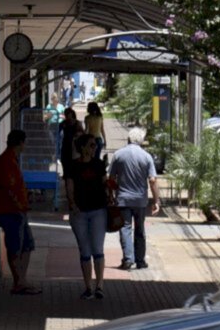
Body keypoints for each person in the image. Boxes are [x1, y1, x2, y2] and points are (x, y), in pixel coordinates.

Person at [0, 129, 40, 295]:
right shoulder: (6, 162)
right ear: (20, 143)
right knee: (15, 246)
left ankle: (21, 280)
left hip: (18, 210)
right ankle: (19, 282)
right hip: (11, 211)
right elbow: (9, 188)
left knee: (27, 245)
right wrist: (19, 203)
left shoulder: (10, 160)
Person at [64, 133, 110, 299]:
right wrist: (72, 204)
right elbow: (69, 187)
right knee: (84, 250)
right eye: (91, 145)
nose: (94, 148)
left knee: (97, 248)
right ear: (82, 148)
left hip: (98, 210)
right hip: (79, 212)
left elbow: (105, 184)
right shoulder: (72, 166)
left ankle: (100, 285)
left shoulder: (99, 164)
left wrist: (110, 192)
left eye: (95, 145)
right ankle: (88, 287)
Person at [109, 127, 160, 270]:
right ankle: (140, 261)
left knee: (125, 228)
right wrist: (156, 200)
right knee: (140, 229)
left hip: (123, 199)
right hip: (140, 200)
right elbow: (152, 180)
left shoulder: (118, 155)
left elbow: (111, 178)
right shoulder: (146, 157)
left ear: (128, 139)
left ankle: (128, 259)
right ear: (141, 141)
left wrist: (111, 195)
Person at [43, 94, 64, 163]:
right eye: (53, 99)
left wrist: (62, 117)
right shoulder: (49, 106)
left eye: (55, 98)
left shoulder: (61, 106)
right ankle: (53, 156)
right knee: (52, 142)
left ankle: (58, 157)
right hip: (51, 126)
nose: (55, 100)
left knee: (59, 141)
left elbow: (65, 116)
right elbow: (44, 117)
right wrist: (48, 116)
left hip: (60, 125)